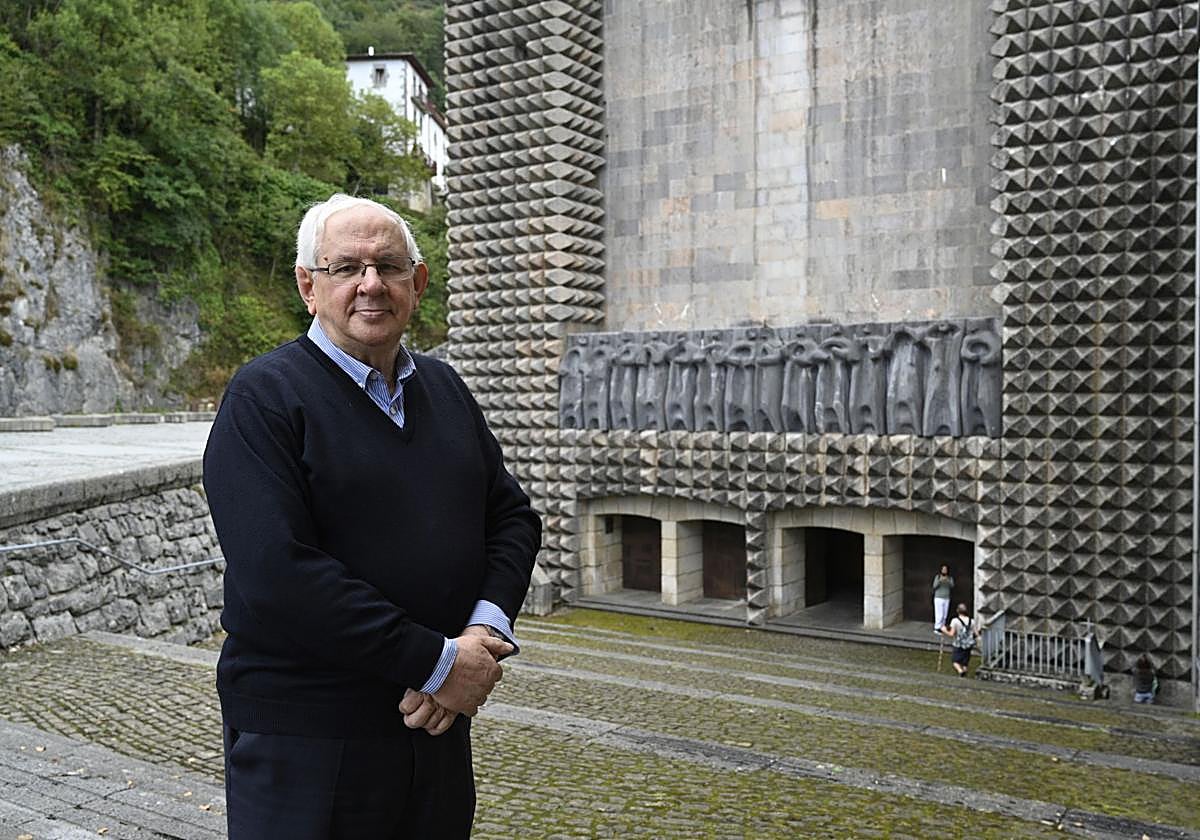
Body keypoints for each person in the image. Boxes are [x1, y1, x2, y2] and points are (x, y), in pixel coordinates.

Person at [203, 193, 542, 839]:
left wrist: (479, 635)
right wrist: (437, 663)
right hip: (309, 736)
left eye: (388, 266)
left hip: (434, 722)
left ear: (417, 283)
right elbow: (279, 573)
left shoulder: (443, 389)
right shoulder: (265, 397)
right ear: (309, 285)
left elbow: (513, 518)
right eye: (346, 268)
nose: (370, 285)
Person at [941, 602, 979, 676]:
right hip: (968, 644)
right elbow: (976, 634)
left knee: (955, 660)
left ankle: (960, 670)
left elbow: (951, 634)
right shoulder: (972, 621)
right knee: (965, 660)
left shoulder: (955, 621)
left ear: (957, 611)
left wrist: (944, 630)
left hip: (958, 644)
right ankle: (964, 669)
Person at [931, 564, 954, 633]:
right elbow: (934, 586)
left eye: (946, 569)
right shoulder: (937, 577)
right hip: (938, 597)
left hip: (946, 598)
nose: (944, 570)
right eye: (943, 569)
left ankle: (942, 627)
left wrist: (947, 581)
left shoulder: (950, 578)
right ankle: (937, 628)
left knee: (944, 614)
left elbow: (952, 585)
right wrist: (940, 581)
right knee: (939, 614)